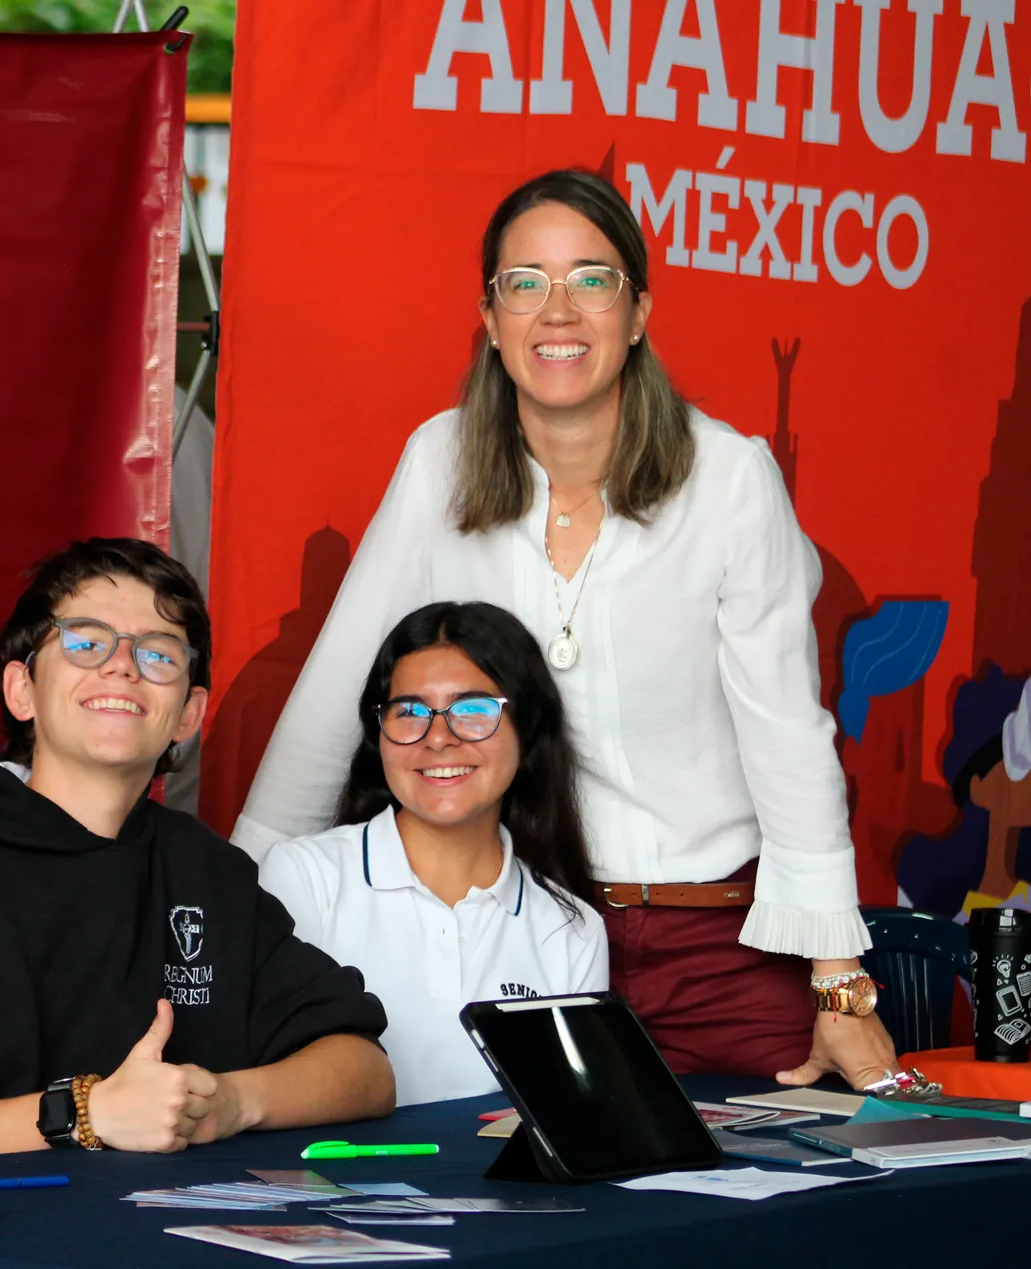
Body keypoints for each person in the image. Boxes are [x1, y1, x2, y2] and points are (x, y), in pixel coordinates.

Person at [235, 169, 899, 1088]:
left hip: (721, 937)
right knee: (505, 1167)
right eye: (526, 283)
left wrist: (839, 984)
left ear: (638, 312)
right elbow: (335, 695)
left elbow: (787, 732)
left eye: (592, 279)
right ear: (490, 316)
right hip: (529, 933)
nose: (558, 311)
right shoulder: (439, 463)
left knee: (788, 1164)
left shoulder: (730, 478)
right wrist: (239, 912)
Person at [0, 538, 394, 1166]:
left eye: (158, 653)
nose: (123, 666)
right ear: (22, 690)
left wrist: (231, 1102)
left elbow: (365, 1071)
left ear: (188, 714)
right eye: (86, 642)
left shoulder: (208, 869)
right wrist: (88, 1112)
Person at [258, 602, 604, 1105]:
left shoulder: (572, 930)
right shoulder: (304, 878)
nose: (439, 738)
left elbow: (569, 1115)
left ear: (527, 730)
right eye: (410, 712)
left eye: (473, 710)